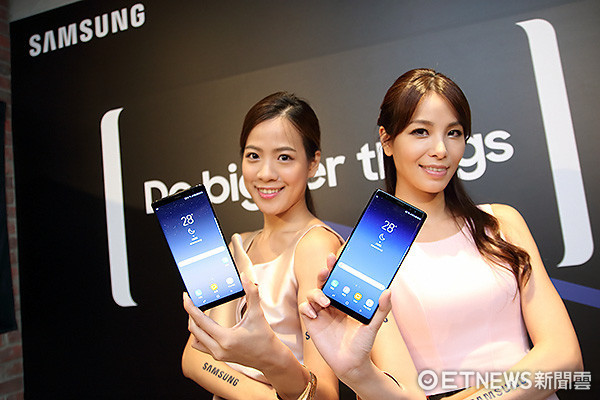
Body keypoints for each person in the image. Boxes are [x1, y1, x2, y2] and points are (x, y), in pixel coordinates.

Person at [299, 68, 583, 400]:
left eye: (454, 133)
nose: (440, 149)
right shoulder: (367, 253)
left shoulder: (501, 224)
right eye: (421, 131)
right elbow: (404, 392)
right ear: (387, 140)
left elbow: (565, 357)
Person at [182, 91, 343, 400]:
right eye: (254, 156)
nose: (266, 173)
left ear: (313, 163)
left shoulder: (316, 246)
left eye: (284, 157)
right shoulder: (238, 245)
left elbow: (323, 393)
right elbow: (193, 357)